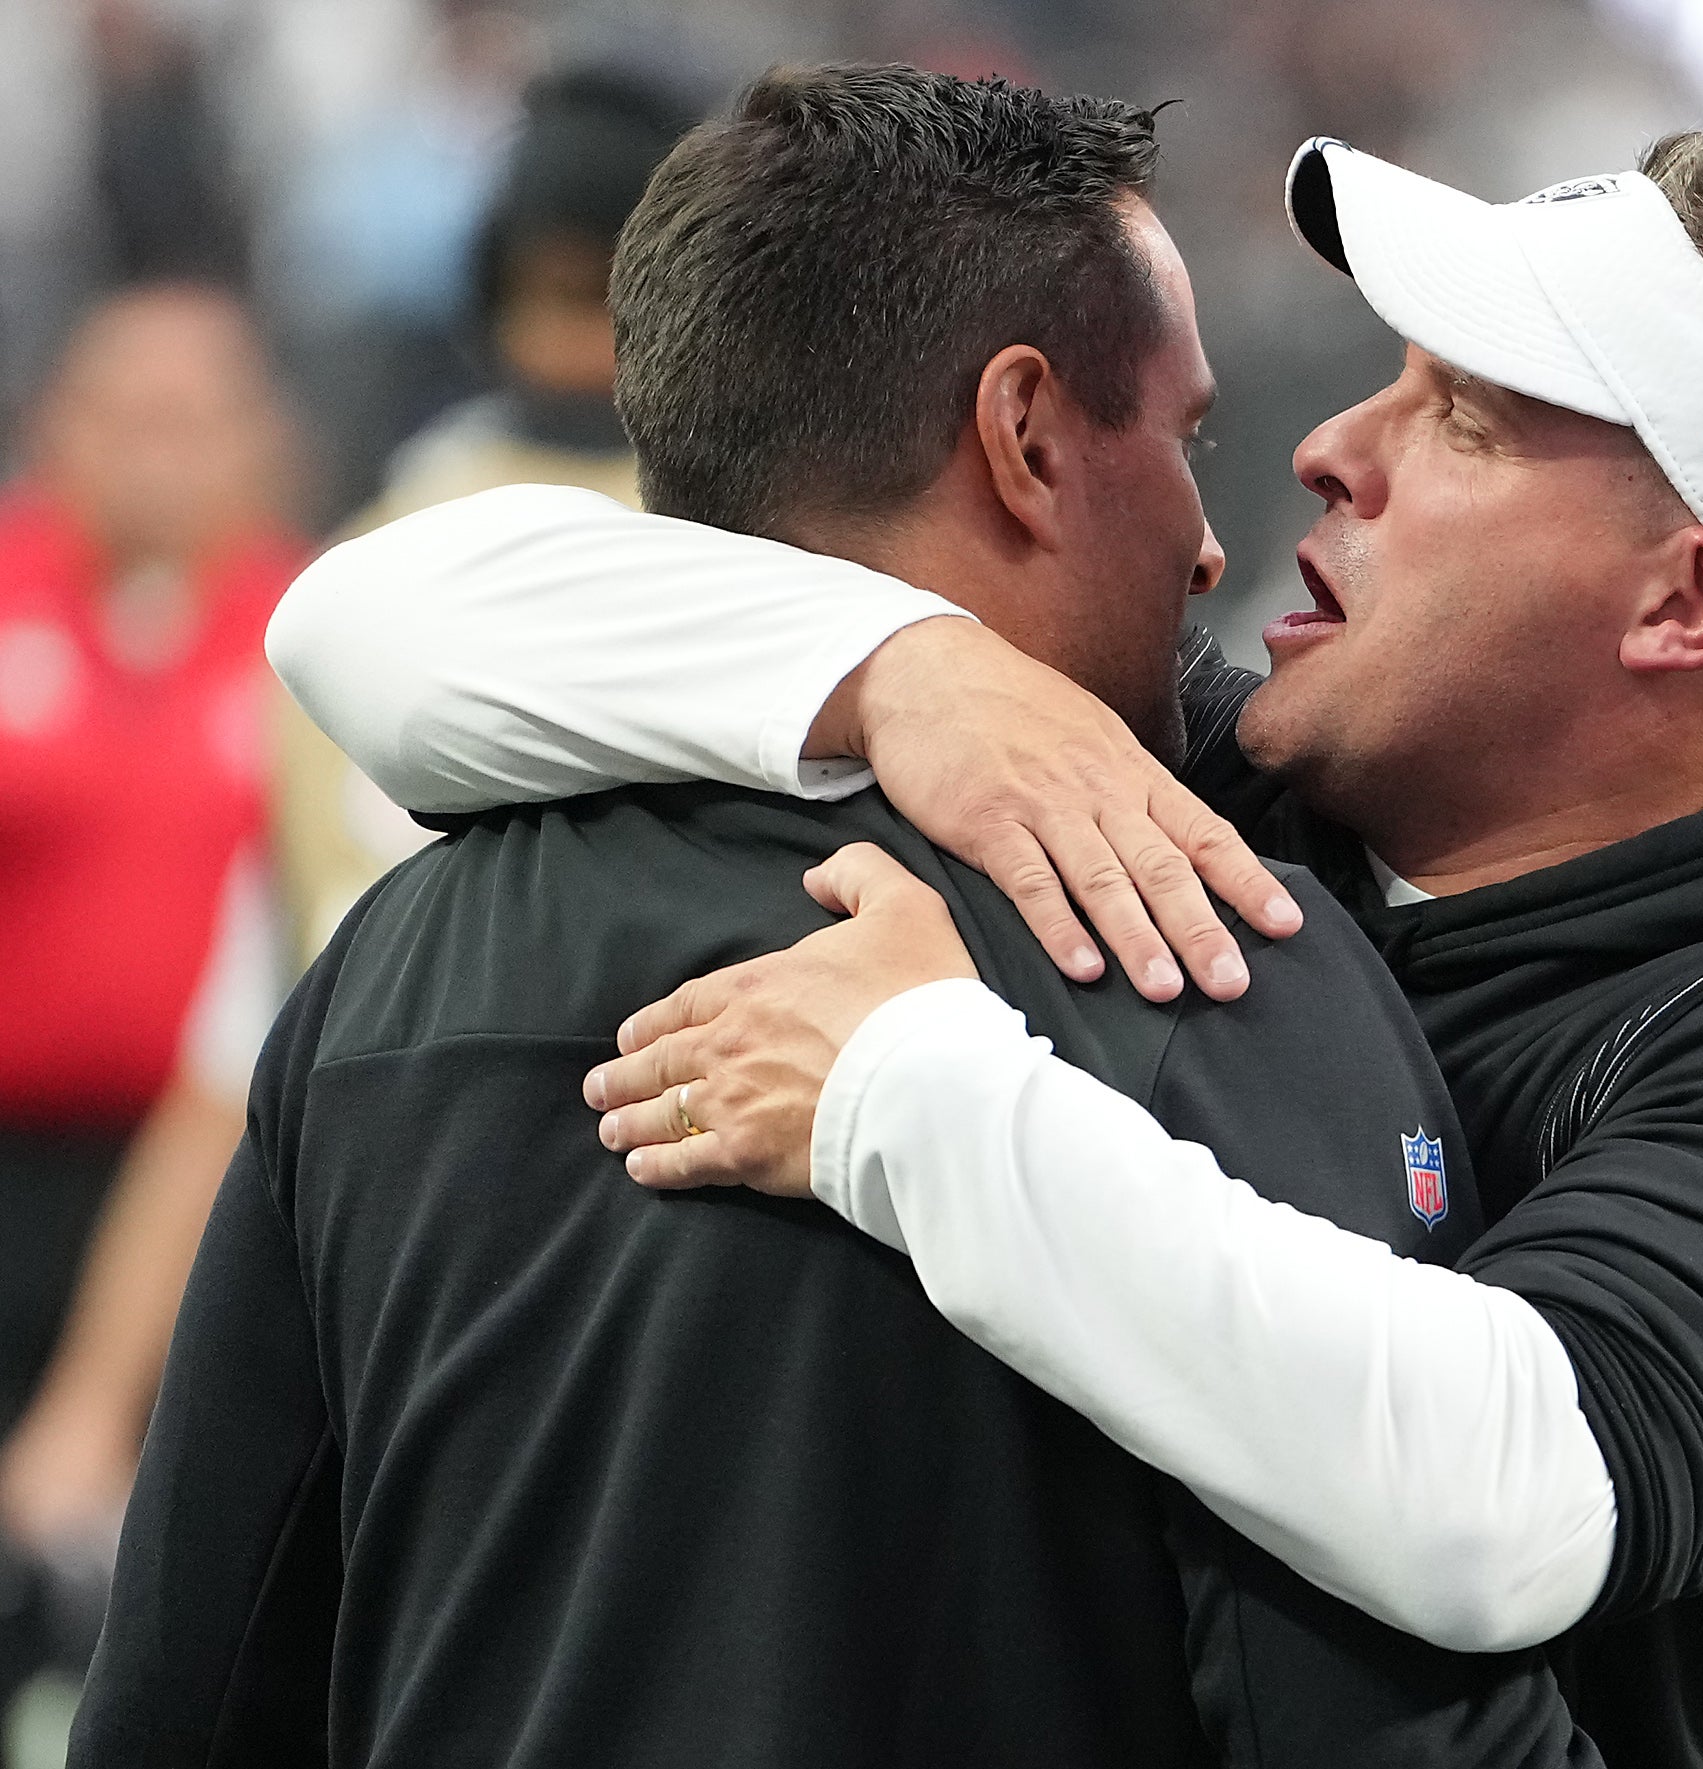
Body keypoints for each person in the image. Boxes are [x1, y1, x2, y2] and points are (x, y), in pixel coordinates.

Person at [274, 127, 1703, 1768]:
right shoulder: (1207, 770)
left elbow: (1508, 1491)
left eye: (1466, 420)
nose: (1332, 446)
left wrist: (912, 1091)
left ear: (1683, 603)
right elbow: (363, 625)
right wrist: (892, 662)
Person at [70, 68, 1573, 1769]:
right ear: (1021, 437)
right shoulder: (1214, 947)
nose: (1214, 540)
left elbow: (198, 1679)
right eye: (1183, 435)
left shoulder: (387, 973)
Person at [0, 285, 301, 1715]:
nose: (156, 455)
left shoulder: (313, 642)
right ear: (58, 425)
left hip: (219, 1183)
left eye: (192, 422)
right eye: (127, 417)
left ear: (259, 442)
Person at [274, 66, 693, 964]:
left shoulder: (744, 522)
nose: (577, 346)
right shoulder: (403, 523)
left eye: (615, 304)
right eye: (551, 296)